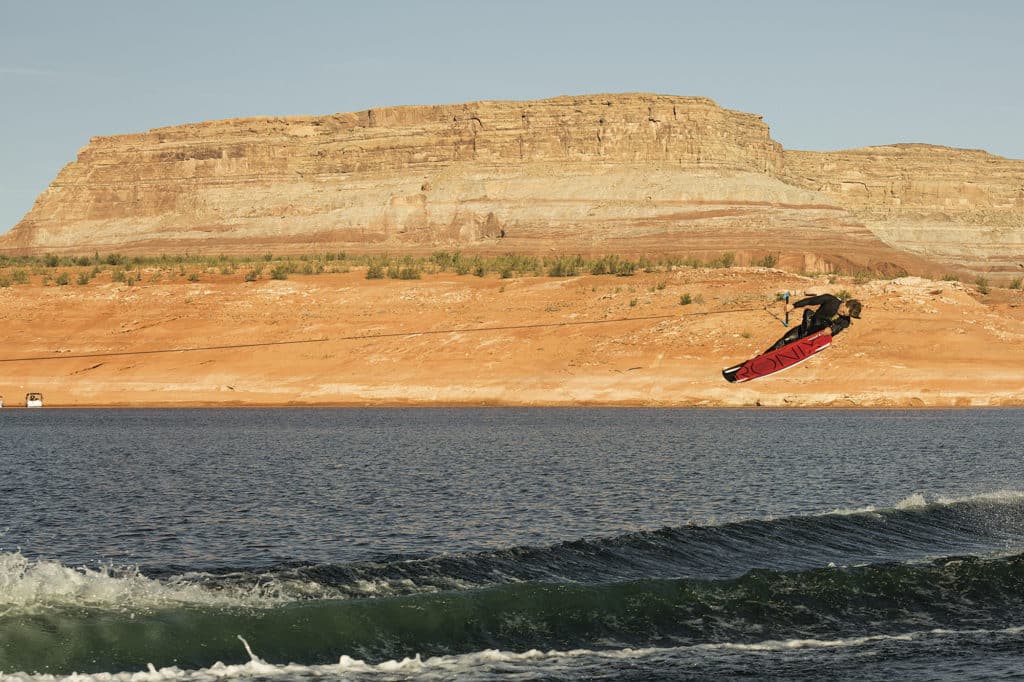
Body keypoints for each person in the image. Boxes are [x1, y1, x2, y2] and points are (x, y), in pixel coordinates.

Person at [765, 294, 862, 353]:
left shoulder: (846, 321)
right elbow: (810, 301)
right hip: (807, 327)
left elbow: (837, 328)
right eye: (843, 311)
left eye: (846, 314)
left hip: (816, 337)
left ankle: (801, 343)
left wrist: (831, 331)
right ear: (845, 303)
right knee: (785, 340)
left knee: (823, 325)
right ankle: (761, 359)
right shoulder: (830, 300)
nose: (843, 314)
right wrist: (794, 305)